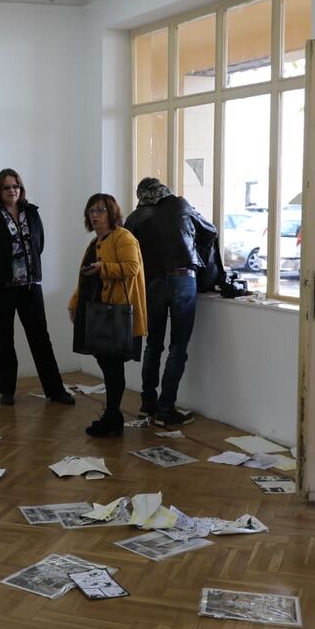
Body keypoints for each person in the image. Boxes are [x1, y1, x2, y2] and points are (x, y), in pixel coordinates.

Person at [0, 169, 74, 407]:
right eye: (7, 187)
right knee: (3, 338)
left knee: (40, 337)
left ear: (21, 188)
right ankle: (7, 390)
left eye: (15, 186)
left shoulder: (32, 213)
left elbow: (39, 244)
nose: (12, 191)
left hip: (29, 285)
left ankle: (55, 390)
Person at [124, 176, 216, 426]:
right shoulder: (180, 205)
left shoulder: (134, 218)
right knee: (178, 348)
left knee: (153, 345)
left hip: (151, 284)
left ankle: (147, 404)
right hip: (183, 279)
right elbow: (210, 231)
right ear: (163, 190)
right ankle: (166, 409)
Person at [68, 193, 147, 437]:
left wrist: (104, 268)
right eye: (91, 211)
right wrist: (74, 303)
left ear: (112, 213)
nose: (95, 216)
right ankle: (113, 416)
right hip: (98, 312)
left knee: (112, 367)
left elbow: (132, 268)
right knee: (107, 364)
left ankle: (113, 416)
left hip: (116, 313)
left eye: (100, 210)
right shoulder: (95, 242)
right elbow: (85, 278)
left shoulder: (123, 237)